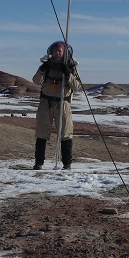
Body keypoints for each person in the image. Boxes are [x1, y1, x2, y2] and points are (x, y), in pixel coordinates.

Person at [32, 41, 82, 170]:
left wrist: (68, 74)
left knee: (66, 134)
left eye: (60, 51)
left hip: (63, 103)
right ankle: (38, 163)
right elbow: (36, 81)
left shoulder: (71, 66)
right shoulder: (46, 65)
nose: (57, 53)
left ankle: (67, 164)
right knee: (41, 133)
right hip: (46, 103)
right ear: (51, 52)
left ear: (65, 52)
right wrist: (42, 69)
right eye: (55, 51)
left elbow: (77, 87)